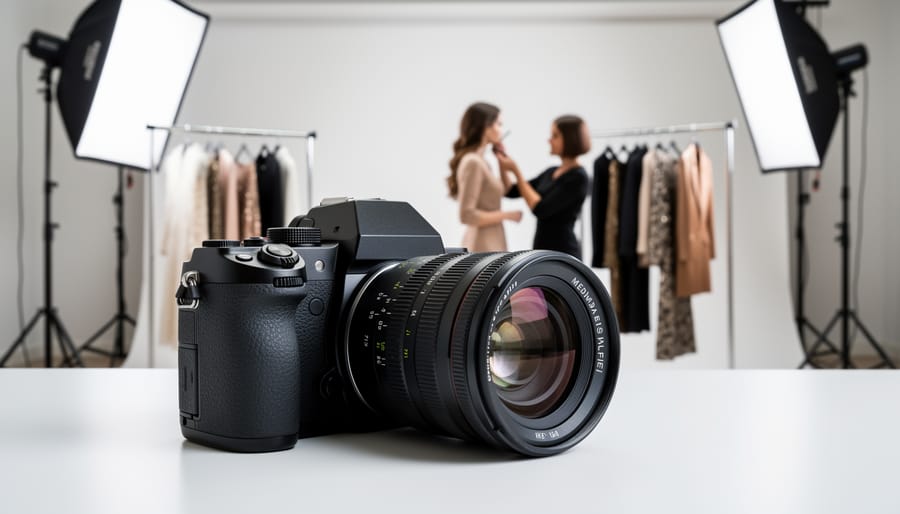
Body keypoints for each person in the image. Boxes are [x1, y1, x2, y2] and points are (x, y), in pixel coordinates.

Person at [498, 115, 591, 258]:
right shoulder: (551, 172)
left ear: (569, 139)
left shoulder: (578, 178)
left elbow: (540, 209)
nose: (549, 140)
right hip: (542, 248)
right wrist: (502, 162)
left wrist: (515, 170)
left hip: (563, 251)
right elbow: (511, 191)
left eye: (555, 135)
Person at [447, 102, 522, 252]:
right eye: (498, 124)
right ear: (486, 127)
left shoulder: (483, 161)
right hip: (482, 244)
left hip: (492, 240)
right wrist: (507, 215)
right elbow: (466, 215)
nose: (501, 130)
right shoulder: (473, 162)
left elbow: (506, 190)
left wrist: (501, 160)